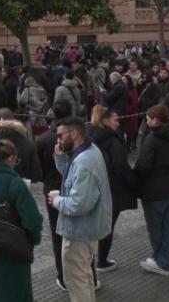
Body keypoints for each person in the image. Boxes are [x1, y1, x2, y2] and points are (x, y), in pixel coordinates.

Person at [47, 117, 112, 302]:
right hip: (86, 229)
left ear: (74, 133)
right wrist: (60, 158)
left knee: (76, 281)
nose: (58, 139)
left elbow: (79, 204)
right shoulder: (88, 151)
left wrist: (57, 200)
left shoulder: (84, 161)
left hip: (79, 232)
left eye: (61, 135)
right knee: (84, 277)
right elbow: (73, 180)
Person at [0, 139, 43, 302]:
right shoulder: (15, 183)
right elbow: (33, 220)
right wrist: (34, 239)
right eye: (16, 160)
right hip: (11, 254)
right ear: (11, 158)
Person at [134, 105, 169, 275]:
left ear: (156, 120)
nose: (146, 122)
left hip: (154, 190)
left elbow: (143, 166)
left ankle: (161, 260)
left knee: (155, 227)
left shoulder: (152, 139)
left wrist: (134, 179)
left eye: (148, 119)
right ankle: (165, 258)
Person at [90, 106, 138, 273]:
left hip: (94, 187)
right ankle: (102, 261)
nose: (118, 123)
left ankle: (91, 260)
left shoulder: (90, 137)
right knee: (107, 226)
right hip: (112, 189)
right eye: (115, 120)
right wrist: (133, 183)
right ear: (105, 120)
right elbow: (121, 166)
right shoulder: (113, 141)